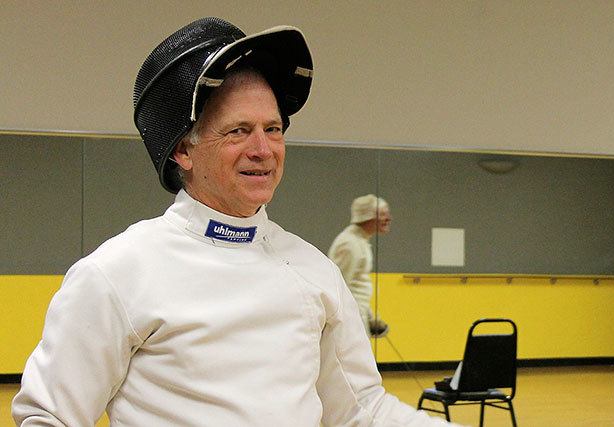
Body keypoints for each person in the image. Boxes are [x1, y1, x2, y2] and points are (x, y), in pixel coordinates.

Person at [12, 17, 462, 426]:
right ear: (183, 150)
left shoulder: (312, 271)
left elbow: (363, 410)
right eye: (238, 131)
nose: (263, 150)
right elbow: (48, 417)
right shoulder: (117, 273)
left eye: (273, 129)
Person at [328, 195, 392, 338]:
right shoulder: (350, 243)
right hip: (350, 319)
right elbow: (338, 286)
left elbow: (356, 285)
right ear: (367, 216)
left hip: (356, 315)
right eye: (382, 214)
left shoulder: (359, 240)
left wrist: (370, 318)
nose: (388, 218)